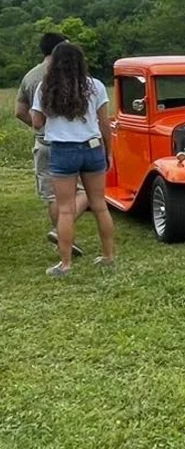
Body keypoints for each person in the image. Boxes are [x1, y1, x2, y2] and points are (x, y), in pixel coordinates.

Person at [30, 42, 117, 275]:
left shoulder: (45, 88)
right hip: (92, 148)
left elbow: (37, 122)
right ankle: (108, 256)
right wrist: (108, 151)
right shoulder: (96, 86)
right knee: (99, 206)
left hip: (63, 151)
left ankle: (66, 264)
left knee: (66, 210)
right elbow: (104, 123)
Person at [15, 31, 88, 256]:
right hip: (72, 142)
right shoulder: (71, 75)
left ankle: (63, 241)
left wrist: (40, 128)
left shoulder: (30, 76)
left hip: (44, 144)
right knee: (83, 191)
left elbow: (19, 111)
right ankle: (61, 232)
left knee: (53, 195)